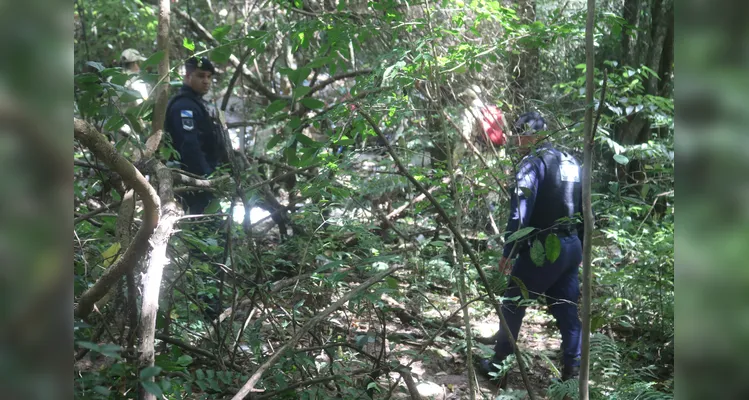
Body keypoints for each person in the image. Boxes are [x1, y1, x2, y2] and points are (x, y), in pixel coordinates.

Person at [477, 111, 585, 387]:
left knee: (513, 305)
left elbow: (520, 211)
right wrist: (580, 248)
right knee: (567, 311)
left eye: (518, 134)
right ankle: (573, 373)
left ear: (529, 135)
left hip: (544, 248)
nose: (515, 140)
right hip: (571, 246)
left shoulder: (533, 162)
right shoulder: (570, 161)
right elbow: (584, 209)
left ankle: (498, 367)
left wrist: (509, 251)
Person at [165, 56, 226, 215]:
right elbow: (189, 146)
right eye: (200, 76)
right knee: (210, 226)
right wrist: (205, 179)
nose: (206, 81)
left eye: (209, 77)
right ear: (187, 76)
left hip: (203, 177)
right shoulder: (184, 106)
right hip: (192, 179)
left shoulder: (198, 104)